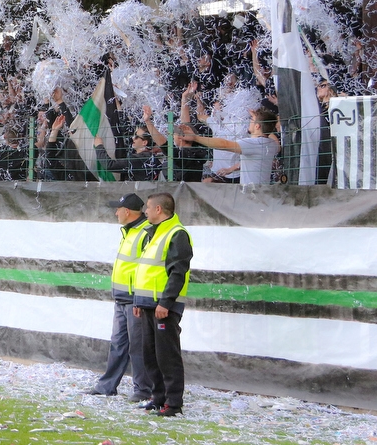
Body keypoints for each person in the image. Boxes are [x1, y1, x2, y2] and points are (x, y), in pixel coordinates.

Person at [87, 193, 152, 400]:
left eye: (118, 209)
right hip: (123, 297)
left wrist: (141, 299)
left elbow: (147, 269)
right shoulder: (130, 232)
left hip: (135, 299)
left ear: (127, 212)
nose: (116, 213)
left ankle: (143, 389)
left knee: (138, 346)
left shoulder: (144, 233)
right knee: (118, 343)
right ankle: (107, 386)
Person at [133, 192, 193, 417]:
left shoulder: (177, 234)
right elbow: (147, 270)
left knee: (167, 356)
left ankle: (173, 403)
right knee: (151, 354)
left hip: (163, 306)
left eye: (148, 207)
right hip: (148, 303)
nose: (145, 211)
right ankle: (158, 398)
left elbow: (178, 272)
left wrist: (166, 302)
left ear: (159, 210)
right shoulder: (154, 233)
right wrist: (139, 300)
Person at [178, 107, 279, 185]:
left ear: (257, 126)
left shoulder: (252, 144)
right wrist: (262, 122)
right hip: (262, 191)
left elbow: (224, 144)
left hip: (251, 194)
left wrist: (196, 138)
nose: (249, 121)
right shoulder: (271, 144)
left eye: (252, 119)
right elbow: (273, 138)